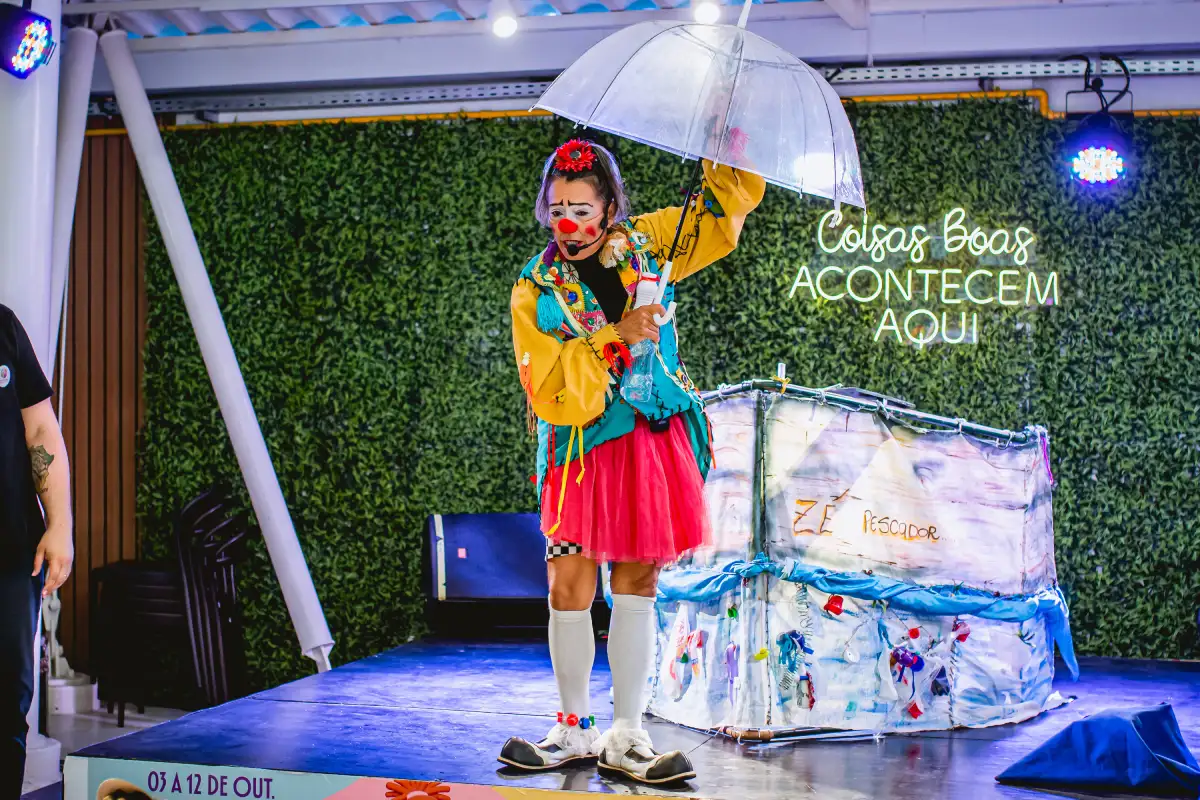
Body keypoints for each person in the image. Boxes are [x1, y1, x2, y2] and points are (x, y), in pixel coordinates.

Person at [500, 139, 763, 784]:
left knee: (637, 583)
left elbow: (717, 213)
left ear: (610, 208)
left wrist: (726, 145)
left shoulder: (651, 244)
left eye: (582, 210)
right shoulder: (534, 287)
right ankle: (573, 728)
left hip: (647, 437)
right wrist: (615, 333)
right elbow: (544, 378)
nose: (568, 224)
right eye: (557, 209)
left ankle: (627, 733)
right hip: (580, 448)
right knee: (569, 584)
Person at [0, 304, 73, 797]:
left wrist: (60, 524)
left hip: (10, 555)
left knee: (8, 703)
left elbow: (41, 429)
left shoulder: (3, 327)